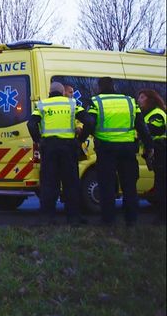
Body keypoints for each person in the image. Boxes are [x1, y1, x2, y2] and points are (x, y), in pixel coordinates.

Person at [79, 77, 149, 226]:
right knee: (129, 186)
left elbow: (90, 122)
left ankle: (108, 219)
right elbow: (141, 126)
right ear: (114, 86)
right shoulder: (130, 101)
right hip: (128, 149)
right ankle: (131, 220)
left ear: (99, 87)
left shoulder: (96, 101)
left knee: (107, 185)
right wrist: (149, 146)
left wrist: (81, 139)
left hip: (106, 149)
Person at [28, 82, 85, 224]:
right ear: (62, 91)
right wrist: (80, 140)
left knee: (49, 183)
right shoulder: (72, 104)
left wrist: (38, 140)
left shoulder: (42, 105)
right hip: (68, 147)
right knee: (71, 183)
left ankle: (47, 217)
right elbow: (88, 121)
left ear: (50, 91)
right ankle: (73, 218)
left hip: (49, 148)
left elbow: (31, 124)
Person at [137, 89, 166, 223]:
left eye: (142, 97)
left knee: (161, 186)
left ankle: (161, 218)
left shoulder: (158, 114)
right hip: (157, 154)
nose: (139, 100)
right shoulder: (147, 114)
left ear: (150, 99)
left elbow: (151, 130)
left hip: (162, 152)